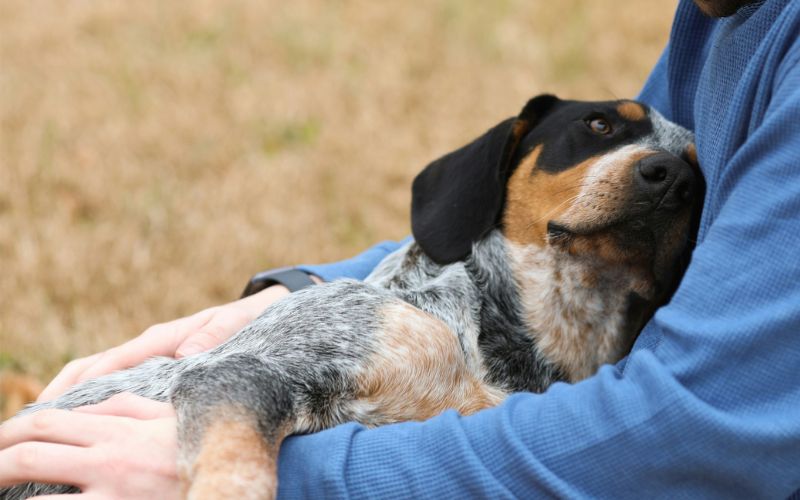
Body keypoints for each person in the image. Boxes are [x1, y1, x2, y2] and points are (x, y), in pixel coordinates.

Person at [1, 0, 798, 496]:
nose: (661, 172)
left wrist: (298, 482)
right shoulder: (719, 15)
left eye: (685, 181)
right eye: (601, 134)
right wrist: (302, 287)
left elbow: (698, 426)